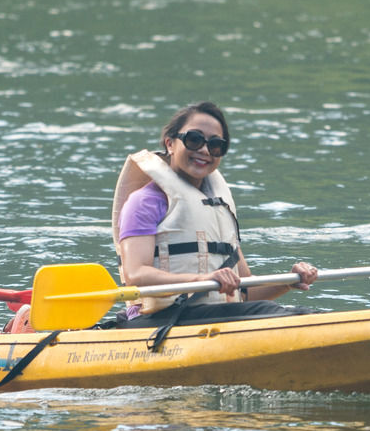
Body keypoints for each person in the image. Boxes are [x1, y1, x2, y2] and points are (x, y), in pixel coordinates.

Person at [110, 101, 319, 326]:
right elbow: (136, 275)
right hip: (159, 319)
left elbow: (244, 291)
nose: (204, 150)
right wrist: (201, 279)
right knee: (276, 313)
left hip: (214, 316)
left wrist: (288, 281)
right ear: (170, 144)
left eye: (216, 145)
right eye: (194, 140)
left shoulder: (217, 206)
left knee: (278, 310)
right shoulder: (144, 201)